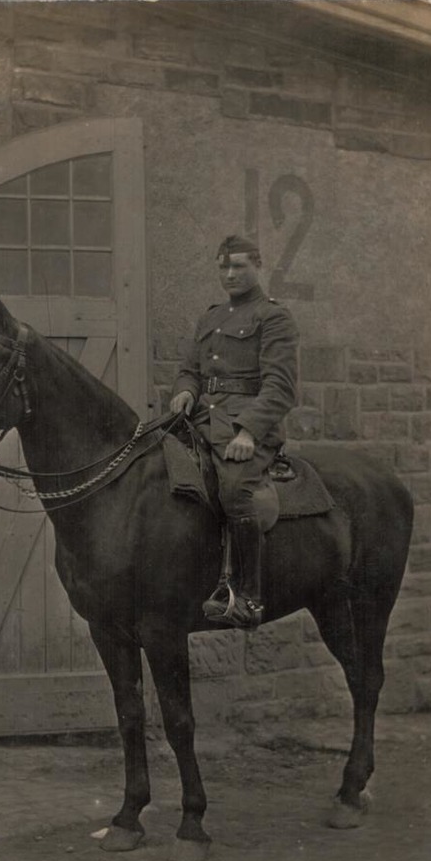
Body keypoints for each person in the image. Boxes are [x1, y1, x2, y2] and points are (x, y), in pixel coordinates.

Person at [170, 235, 299, 627]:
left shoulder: (273, 317)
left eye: (239, 266)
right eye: (223, 266)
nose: (230, 274)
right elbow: (190, 370)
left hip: (245, 429)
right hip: (201, 421)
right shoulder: (210, 318)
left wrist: (248, 433)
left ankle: (248, 598)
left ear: (257, 265)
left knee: (235, 488)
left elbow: (281, 386)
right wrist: (185, 391)